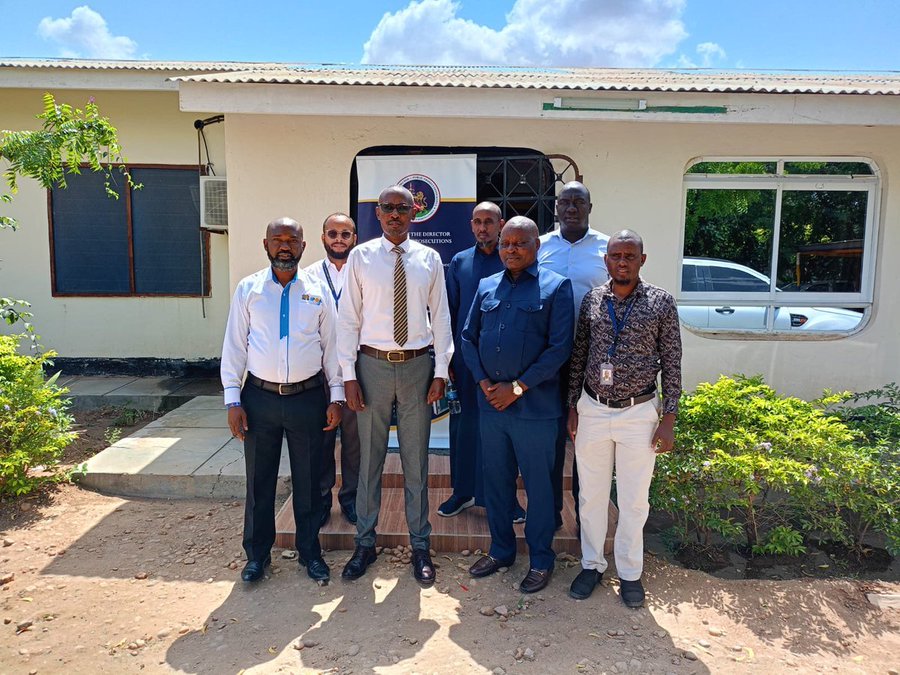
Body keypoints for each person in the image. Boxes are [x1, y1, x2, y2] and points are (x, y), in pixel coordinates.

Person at [337, 185, 453, 586]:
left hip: (417, 367)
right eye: (387, 208)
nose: (395, 214)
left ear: (414, 213)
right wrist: (348, 377)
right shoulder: (360, 257)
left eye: (403, 208)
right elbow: (347, 319)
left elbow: (440, 318)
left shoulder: (429, 259)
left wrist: (441, 371)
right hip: (371, 366)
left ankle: (420, 544)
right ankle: (364, 542)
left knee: (416, 459)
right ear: (378, 213)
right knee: (368, 459)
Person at [221, 217, 344, 584]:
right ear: (266, 244)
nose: (285, 245)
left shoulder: (318, 289)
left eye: (293, 239)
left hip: (308, 398)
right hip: (259, 399)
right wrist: (232, 401)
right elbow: (234, 347)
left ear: (305, 247)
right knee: (260, 482)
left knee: (308, 482)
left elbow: (332, 349)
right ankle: (257, 557)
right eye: (278, 239)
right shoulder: (249, 290)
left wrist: (335, 396)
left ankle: (310, 554)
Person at [566, 230, 682, 607]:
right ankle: (592, 565)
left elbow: (672, 362)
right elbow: (579, 355)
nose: (622, 262)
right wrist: (573, 406)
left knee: (634, 500)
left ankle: (630, 573)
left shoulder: (661, 302)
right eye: (615, 255)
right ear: (606, 261)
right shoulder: (592, 301)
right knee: (592, 496)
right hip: (593, 409)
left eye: (629, 256)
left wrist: (669, 416)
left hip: (639, 413)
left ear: (642, 260)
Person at [461, 217, 574, 593]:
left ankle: (541, 559)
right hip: (492, 406)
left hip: (535, 410)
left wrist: (518, 387)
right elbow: (468, 338)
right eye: (506, 243)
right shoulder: (486, 285)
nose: (510, 250)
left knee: (540, 489)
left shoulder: (556, 287)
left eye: (519, 244)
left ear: (536, 247)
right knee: (496, 483)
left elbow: (559, 349)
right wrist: (485, 383)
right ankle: (501, 550)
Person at [440, 202, 524, 523]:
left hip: (504, 366)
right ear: (471, 225)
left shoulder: (513, 262)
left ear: (500, 224)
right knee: (463, 427)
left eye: (489, 221)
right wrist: (447, 357)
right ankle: (461, 492)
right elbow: (449, 312)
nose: (483, 228)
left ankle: (504, 499)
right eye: (477, 222)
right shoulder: (460, 262)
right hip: (464, 363)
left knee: (503, 432)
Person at [538, 181, 610, 530]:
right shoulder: (540, 246)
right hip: (550, 357)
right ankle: (550, 513)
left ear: (589, 207)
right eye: (564, 202)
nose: (570, 208)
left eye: (577, 202)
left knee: (588, 438)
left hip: (594, 357)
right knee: (551, 438)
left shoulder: (607, 247)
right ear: (556, 207)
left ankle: (587, 520)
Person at [305, 212, 360, 527]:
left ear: (354, 237)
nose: (339, 239)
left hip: (357, 374)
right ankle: (322, 501)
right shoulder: (306, 277)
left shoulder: (364, 271)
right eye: (333, 233)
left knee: (355, 443)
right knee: (321, 441)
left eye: (345, 234)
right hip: (319, 375)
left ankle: (350, 499)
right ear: (323, 237)